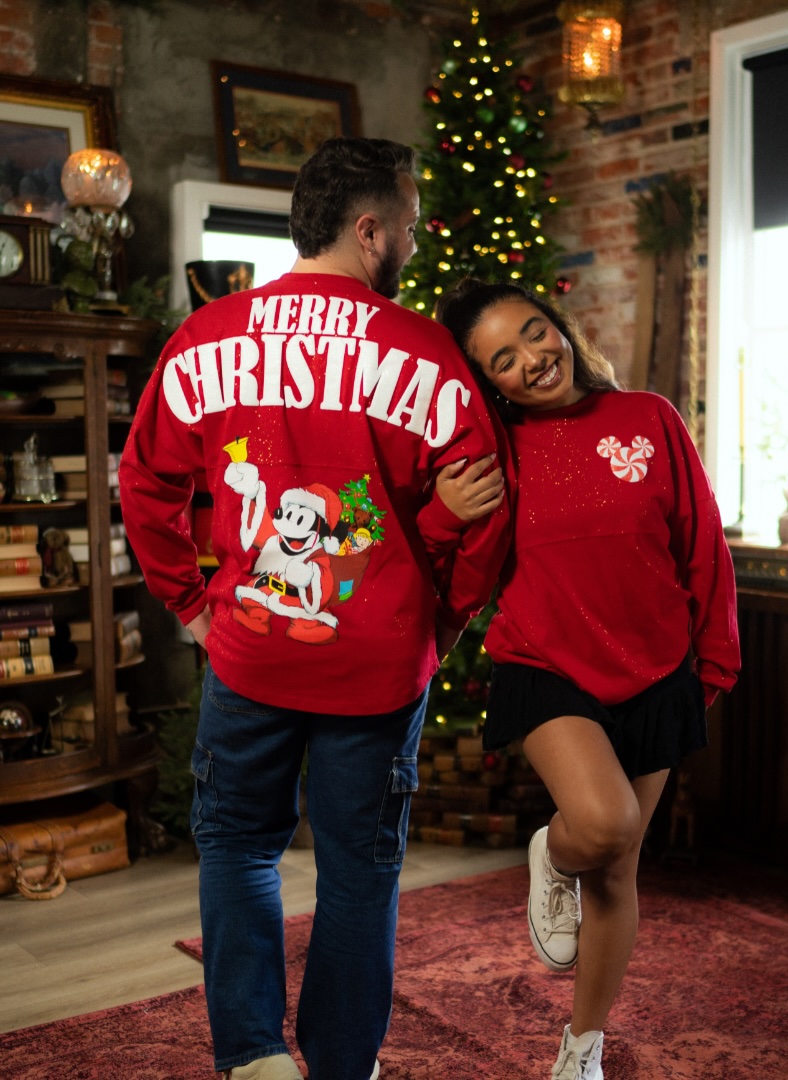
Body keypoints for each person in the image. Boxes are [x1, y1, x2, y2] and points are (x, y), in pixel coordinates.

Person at [120, 138, 511, 1080]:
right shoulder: (427, 353)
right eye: (409, 222)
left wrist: (190, 607)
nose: (414, 237)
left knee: (239, 852)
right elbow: (485, 515)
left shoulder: (205, 337)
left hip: (249, 652)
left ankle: (254, 1059)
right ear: (369, 229)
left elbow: (144, 486)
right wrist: (441, 623)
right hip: (377, 667)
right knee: (359, 871)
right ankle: (342, 1066)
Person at [431, 278, 739, 1080]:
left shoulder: (649, 418)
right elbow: (457, 568)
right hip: (549, 663)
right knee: (603, 826)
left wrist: (714, 657)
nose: (534, 359)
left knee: (620, 872)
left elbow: (701, 542)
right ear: (486, 382)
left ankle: (582, 1048)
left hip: (658, 667)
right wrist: (444, 513)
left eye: (537, 333)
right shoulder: (493, 456)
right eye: (505, 358)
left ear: (559, 325)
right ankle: (550, 853)